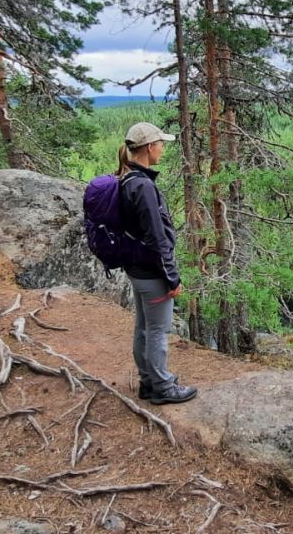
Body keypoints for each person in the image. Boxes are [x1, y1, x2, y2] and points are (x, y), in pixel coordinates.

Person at [117, 122, 197, 404]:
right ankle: (162, 387)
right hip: (152, 274)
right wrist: (172, 278)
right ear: (150, 147)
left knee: (143, 327)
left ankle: (147, 383)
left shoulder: (126, 179)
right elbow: (157, 238)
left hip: (137, 271)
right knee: (158, 331)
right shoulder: (144, 187)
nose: (163, 149)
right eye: (161, 144)